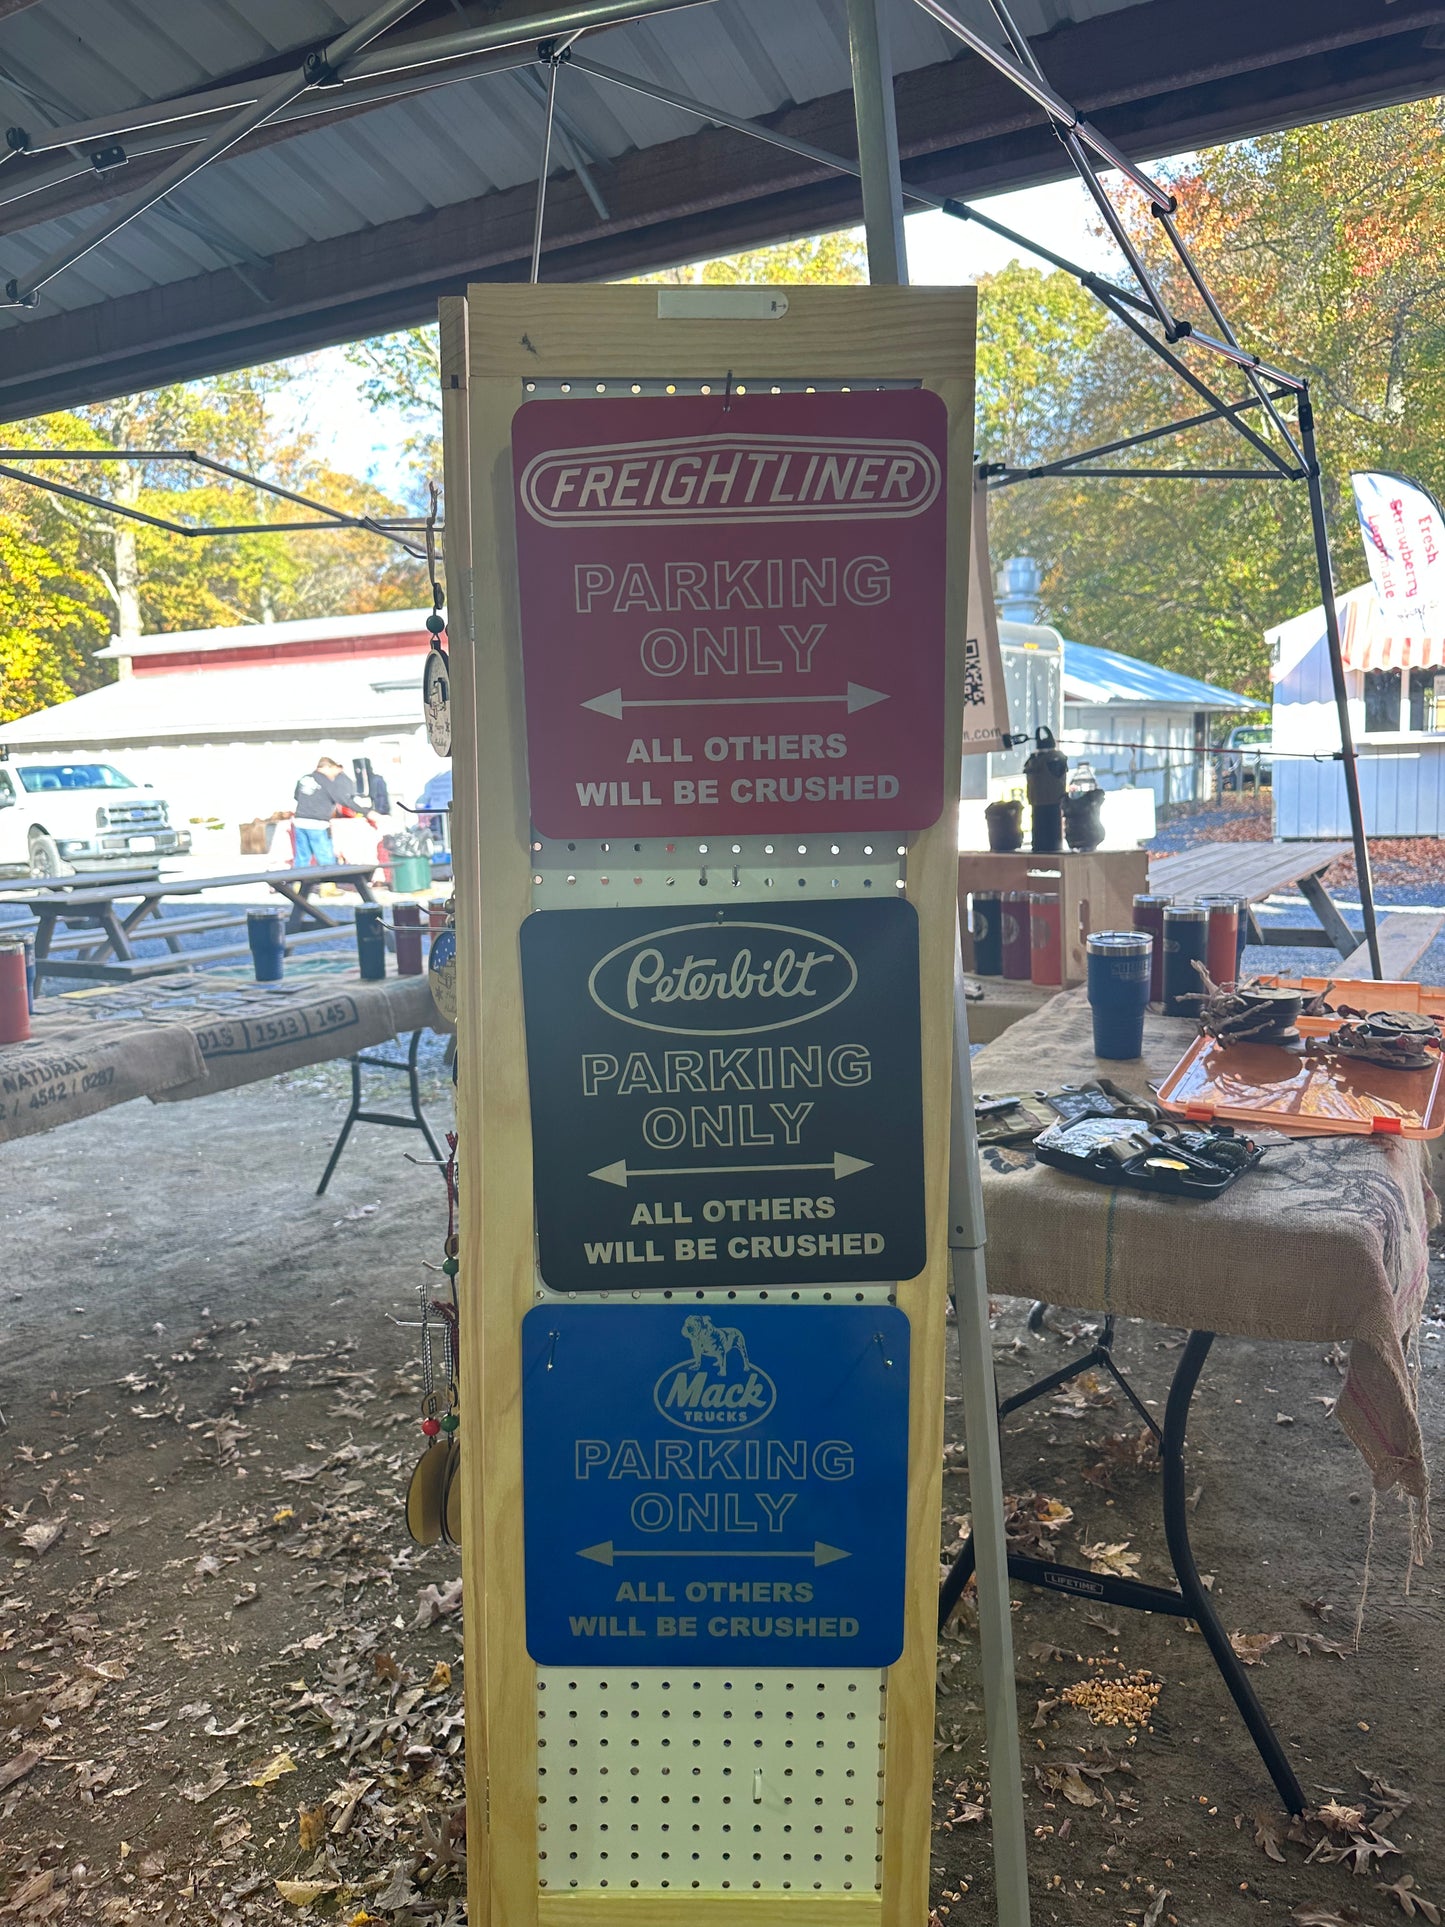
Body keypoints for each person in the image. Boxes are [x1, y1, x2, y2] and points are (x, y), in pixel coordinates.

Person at [292, 754, 356, 866]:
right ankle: (328, 882)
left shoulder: (304, 778)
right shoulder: (327, 783)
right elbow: (344, 800)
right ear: (328, 767)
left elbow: (297, 796)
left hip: (300, 821)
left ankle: (299, 881)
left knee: (302, 857)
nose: (334, 775)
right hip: (318, 824)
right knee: (324, 857)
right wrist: (367, 812)